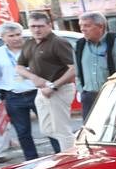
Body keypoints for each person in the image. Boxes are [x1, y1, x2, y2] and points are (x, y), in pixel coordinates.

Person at [16, 12, 76, 153]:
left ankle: (71, 160)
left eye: (40, 26)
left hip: (59, 89)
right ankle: (74, 147)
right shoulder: (30, 42)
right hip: (41, 90)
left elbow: (74, 69)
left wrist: (53, 86)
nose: (37, 29)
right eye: (33, 26)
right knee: (47, 129)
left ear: (49, 25)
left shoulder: (58, 42)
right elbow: (19, 67)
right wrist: (33, 78)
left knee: (62, 131)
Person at [0, 21, 37, 160]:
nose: (16, 38)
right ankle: (32, 160)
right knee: (22, 131)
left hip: (36, 92)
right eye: (11, 35)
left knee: (49, 126)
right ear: (3, 37)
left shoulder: (33, 47)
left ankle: (60, 155)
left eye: (18, 34)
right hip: (13, 96)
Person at [74, 12, 116, 120]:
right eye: (81, 26)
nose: (82, 29)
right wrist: (82, 91)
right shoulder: (79, 45)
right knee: (91, 133)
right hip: (90, 97)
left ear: (100, 26)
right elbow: (77, 72)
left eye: (87, 26)